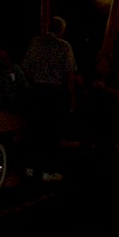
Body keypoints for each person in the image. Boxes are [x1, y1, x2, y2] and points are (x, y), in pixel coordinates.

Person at [21, 15, 77, 182]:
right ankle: (47, 170)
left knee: (35, 130)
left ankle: (30, 167)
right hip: (53, 92)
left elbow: (26, 68)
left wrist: (34, 82)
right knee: (51, 132)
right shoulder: (63, 46)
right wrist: (73, 97)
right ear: (61, 30)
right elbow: (69, 73)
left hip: (37, 91)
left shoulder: (35, 43)